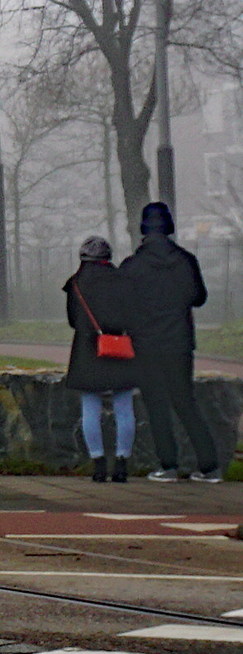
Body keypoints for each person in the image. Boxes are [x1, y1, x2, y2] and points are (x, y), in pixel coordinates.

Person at [119, 201, 221, 483]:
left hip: (146, 344)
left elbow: (122, 304)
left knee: (156, 405)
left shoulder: (133, 266)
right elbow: (199, 298)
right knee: (185, 402)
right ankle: (210, 467)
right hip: (180, 343)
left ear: (143, 228)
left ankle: (168, 465)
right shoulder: (186, 261)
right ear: (169, 227)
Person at [62, 236, 139, 482]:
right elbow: (133, 316)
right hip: (118, 347)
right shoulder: (124, 282)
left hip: (87, 350)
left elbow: (73, 321)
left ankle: (98, 463)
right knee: (124, 407)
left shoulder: (75, 284)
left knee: (90, 409)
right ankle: (122, 463)